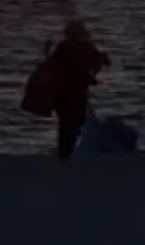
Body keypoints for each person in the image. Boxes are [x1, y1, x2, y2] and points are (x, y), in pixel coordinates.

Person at [44, 20, 109, 161]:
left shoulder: (63, 48)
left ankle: (65, 154)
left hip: (62, 95)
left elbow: (52, 67)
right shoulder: (85, 47)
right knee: (74, 123)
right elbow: (95, 63)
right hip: (75, 94)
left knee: (66, 124)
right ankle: (67, 154)